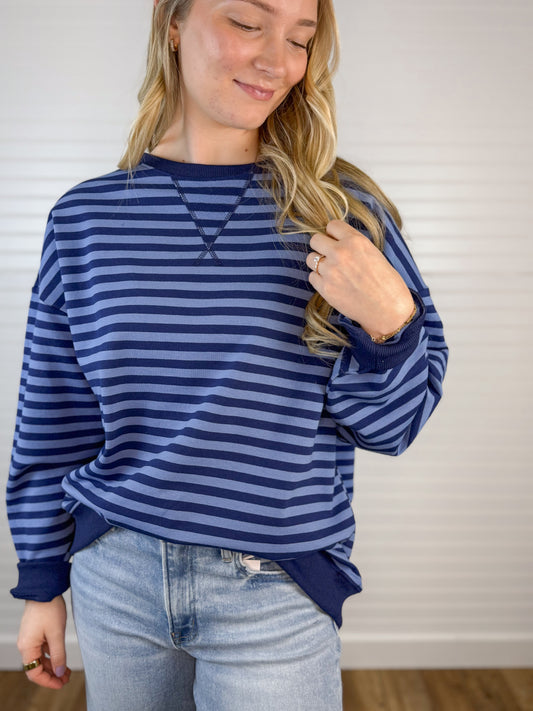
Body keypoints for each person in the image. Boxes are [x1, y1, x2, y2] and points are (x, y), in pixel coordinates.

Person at [6, 0, 448, 709]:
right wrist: (41, 582)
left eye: (300, 39)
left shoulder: (341, 215)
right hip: (115, 576)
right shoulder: (85, 219)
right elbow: (53, 417)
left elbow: (391, 428)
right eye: (247, 23)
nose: (277, 61)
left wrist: (391, 324)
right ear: (172, 24)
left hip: (274, 590)